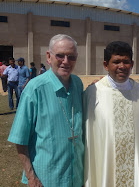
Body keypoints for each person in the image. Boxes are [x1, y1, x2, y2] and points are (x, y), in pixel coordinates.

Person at [8, 34, 84, 187]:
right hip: (47, 178)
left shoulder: (78, 84)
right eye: (60, 55)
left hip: (77, 176)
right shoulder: (34, 88)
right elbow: (19, 139)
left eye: (71, 57)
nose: (66, 61)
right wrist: (31, 178)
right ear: (49, 57)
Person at [84, 41, 139, 187]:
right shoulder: (93, 93)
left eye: (126, 62)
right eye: (116, 62)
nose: (122, 66)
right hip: (105, 166)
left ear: (132, 64)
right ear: (106, 65)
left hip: (135, 168)